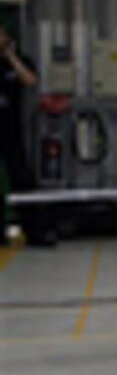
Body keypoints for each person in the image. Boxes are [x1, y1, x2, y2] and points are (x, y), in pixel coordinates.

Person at [0, 24, 42, 245]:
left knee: (21, 177)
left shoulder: (19, 61)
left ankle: (34, 230)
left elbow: (30, 80)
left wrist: (11, 57)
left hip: (12, 130)